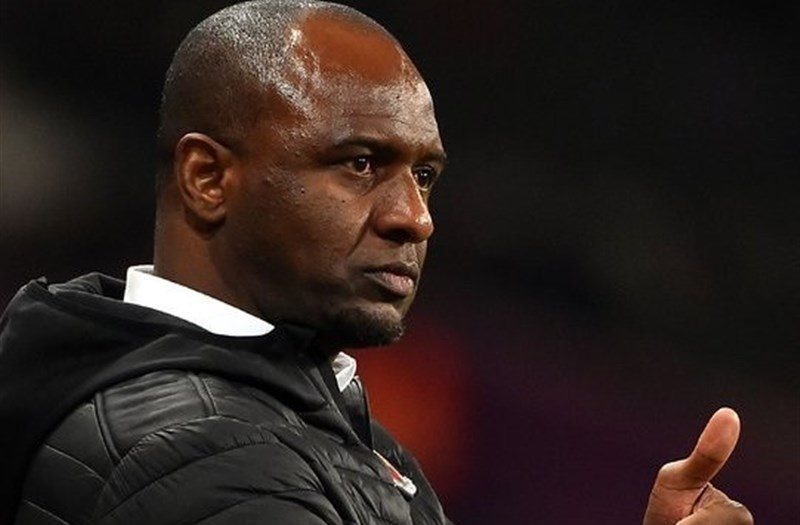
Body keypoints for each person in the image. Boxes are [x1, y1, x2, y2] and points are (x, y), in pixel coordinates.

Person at [0, 1, 752, 524]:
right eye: (360, 163)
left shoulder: (297, 415)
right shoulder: (197, 457)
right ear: (208, 178)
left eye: (424, 176)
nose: (415, 217)